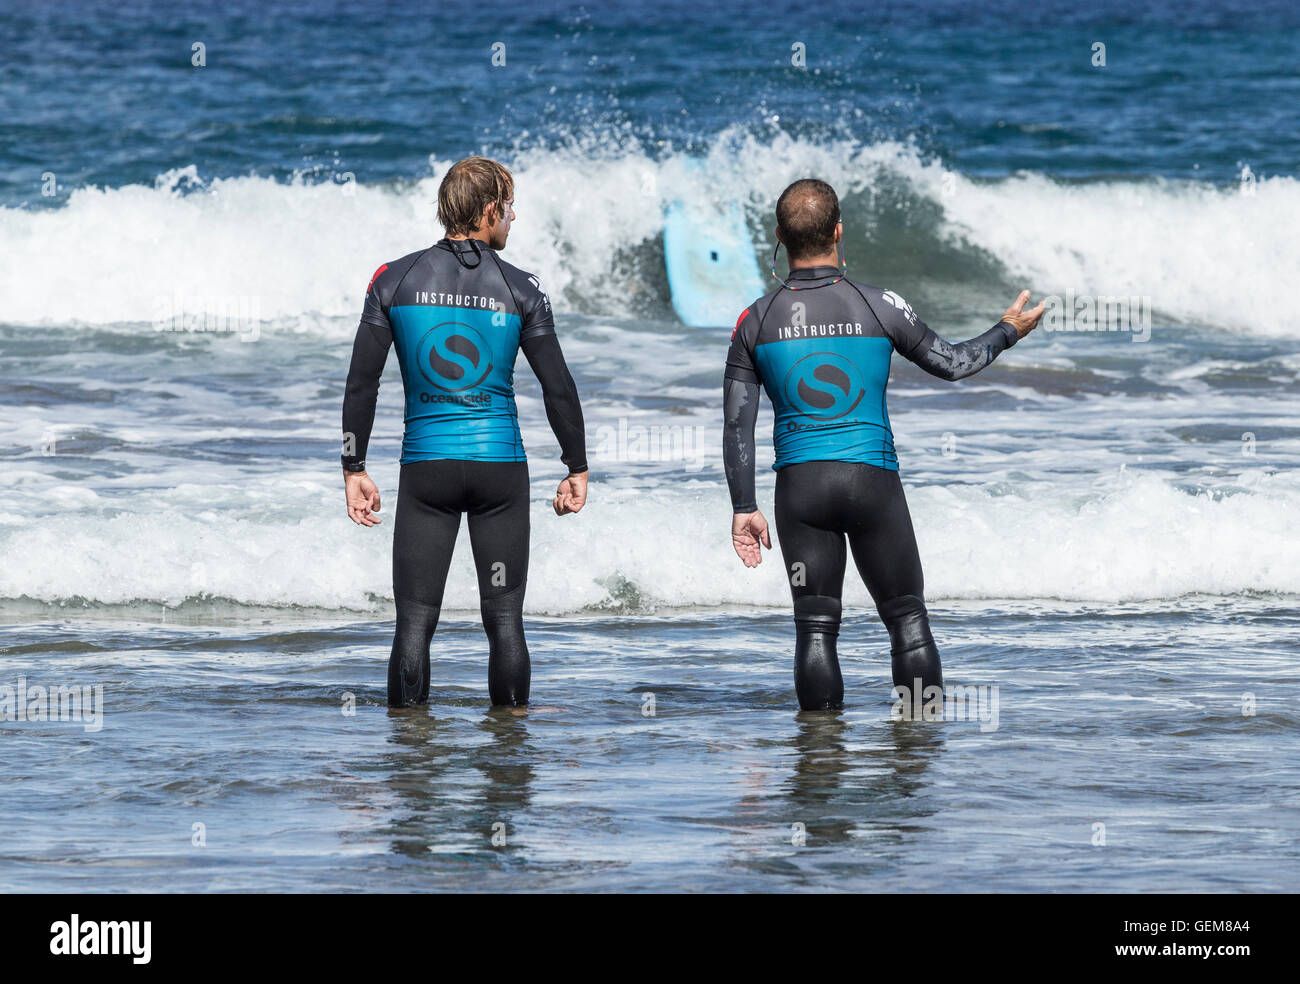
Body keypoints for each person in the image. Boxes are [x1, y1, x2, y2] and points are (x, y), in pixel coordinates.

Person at [722, 178, 1043, 711]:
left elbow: (737, 426)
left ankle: (820, 764)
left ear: (779, 235)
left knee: (816, 631)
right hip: (872, 483)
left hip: (801, 491)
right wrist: (1006, 330)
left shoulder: (755, 320)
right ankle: (917, 753)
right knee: (907, 619)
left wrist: (743, 507)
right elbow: (953, 363)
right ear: (839, 231)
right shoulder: (881, 306)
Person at [341, 157, 588, 708]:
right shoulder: (520, 288)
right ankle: (508, 758)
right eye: (509, 207)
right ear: (488, 210)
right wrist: (576, 466)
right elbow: (559, 388)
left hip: (427, 471)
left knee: (413, 622)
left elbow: (362, 384)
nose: (513, 219)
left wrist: (353, 467)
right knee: (504, 620)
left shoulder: (393, 279)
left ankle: (410, 759)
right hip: (499, 473)